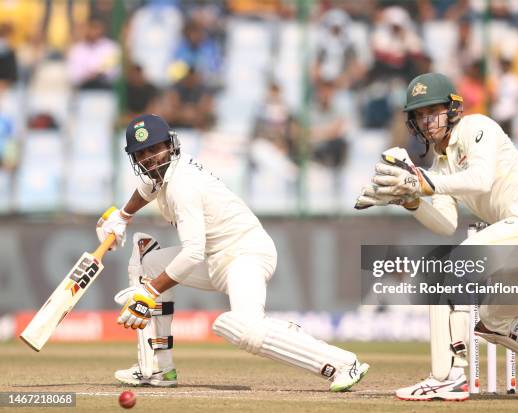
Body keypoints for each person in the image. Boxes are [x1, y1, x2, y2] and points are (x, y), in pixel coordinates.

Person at [355, 73, 518, 401]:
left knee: (454, 264)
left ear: (453, 109)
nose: (427, 121)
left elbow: (481, 179)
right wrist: (411, 200)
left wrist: (422, 181)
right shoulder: (441, 164)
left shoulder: (477, 128)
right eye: (419, 114)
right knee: (494, 319)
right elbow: (445, 223)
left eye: (434, 111)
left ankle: (450, 375)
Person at [96, 114, 369, 391]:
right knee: (147, 264)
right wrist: (122, 216)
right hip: (217, 258)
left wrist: (150, 293)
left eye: (154, 149)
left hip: (245, 254)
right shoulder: (163, 172)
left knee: (243, 327)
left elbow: (192, 254)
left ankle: (344, 363)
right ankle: (156, 369)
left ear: (170, 144)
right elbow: (146, 188)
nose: (150, 158)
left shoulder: (182, 185)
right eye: (141, 153)